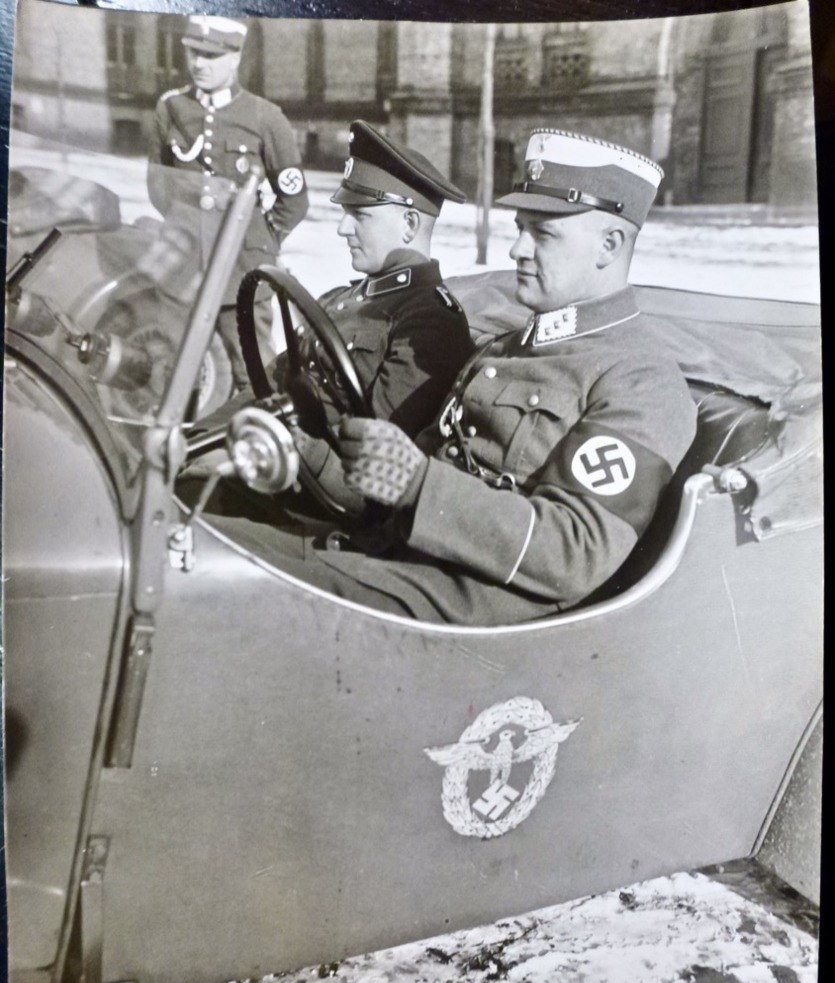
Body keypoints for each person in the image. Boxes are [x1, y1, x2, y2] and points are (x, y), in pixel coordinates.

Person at [206, 129, 698, 627]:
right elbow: (398, 479)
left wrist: (419, 485)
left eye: (543, 234)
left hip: (463, 609)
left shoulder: (641, 381)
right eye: (520, 229)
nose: (517, 251)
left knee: (204, 580)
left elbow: (574, 552)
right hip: (395, 559)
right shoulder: (505, 348)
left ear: (609, 245)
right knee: (193, 539)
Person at [190, 119, 475, 510]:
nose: (343, 228)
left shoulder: (429, 324)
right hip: (273, 463)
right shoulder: (343, 298)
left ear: (409, 224)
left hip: (314, 504)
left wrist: (254, 447)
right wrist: (196, 438)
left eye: (360, 215)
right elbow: (268, 382)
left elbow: (369, 470)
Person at [147, 15, 309, 390]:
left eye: (210, 55)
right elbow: (158, 184)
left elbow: (295, 201)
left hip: (241, 269)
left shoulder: (265, 117)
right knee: (169, 367)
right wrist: (184, 226)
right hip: (181, 264)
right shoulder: (170, 108)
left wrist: (258, 240)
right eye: (193, 52)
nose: (198, 63)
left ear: (235, 57)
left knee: (254, 375)